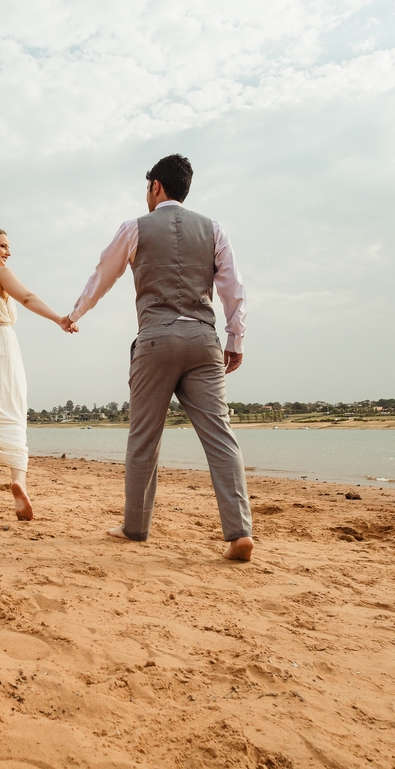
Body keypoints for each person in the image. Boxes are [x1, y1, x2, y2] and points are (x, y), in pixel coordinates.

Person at [67, 155, 254, 561]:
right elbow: (233, 288)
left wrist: (76, 313)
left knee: (144, 437)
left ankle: (135, 527)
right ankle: (239, 531)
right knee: (220, 436)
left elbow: (104, 275)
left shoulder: (135, 228)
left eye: (147, 186)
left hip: (155, 339)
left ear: (155, 186)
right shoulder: (214, 229)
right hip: (204, 341)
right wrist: (235, 338)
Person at [0, 227, 77, 521]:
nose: (8, 252)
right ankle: (18, 479)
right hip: (1, 347)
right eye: (4, 246)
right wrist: (59, 318)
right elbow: (28, 298)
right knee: (13, 413)